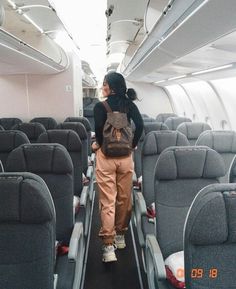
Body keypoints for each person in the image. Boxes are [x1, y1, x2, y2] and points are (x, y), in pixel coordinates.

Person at [92, 72, 143, 262]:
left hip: (106, 157)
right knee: (124, 198)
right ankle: (121, 236)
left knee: (108, 201)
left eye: (104, 84)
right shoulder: (129, 105)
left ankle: (108, 247)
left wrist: (99, 144)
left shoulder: (100, 106)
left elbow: (98, 130)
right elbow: (140, 124)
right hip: (125, 157)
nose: (102, 87)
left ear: (110, 87)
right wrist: (133, 144)